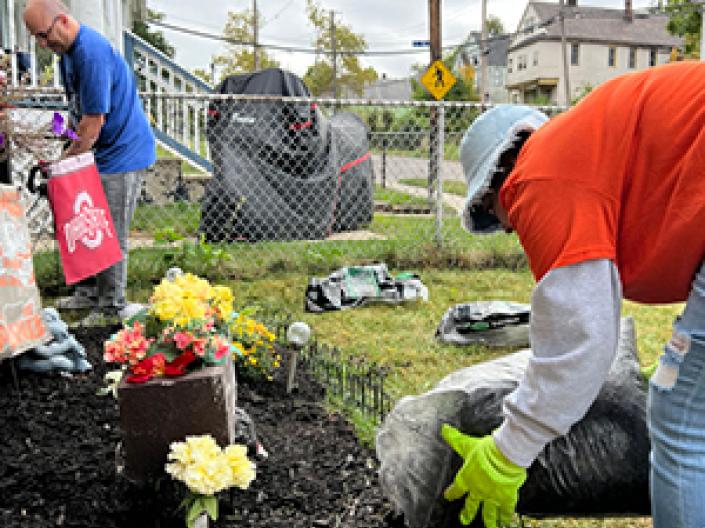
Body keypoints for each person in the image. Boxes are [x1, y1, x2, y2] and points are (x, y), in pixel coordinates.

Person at [444, 60, 705, 528]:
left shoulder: (540, 178)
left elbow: (581, 343)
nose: (510, 230)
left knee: (681, 417)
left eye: (495, 220)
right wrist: (678, 360)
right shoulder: (589, 146)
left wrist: (509, 451)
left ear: (491, 191)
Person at [23, 0, 155, 323]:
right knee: (86, 222)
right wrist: (63, 153)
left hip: (123, 153)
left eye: (43, 35)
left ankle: (113, 306)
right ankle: (89, 293)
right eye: (36, 39)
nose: (42, 44)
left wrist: (64, 165)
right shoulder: (68, 54)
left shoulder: (91, 53)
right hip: (99, 150)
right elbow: (78, 113)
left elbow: (93, 122)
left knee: (110, 229)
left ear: (63, 21)